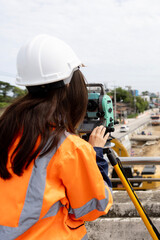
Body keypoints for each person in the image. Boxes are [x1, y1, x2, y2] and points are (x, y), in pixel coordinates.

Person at [0, 35, 113, 239]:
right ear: (70, 86)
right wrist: (95, 154)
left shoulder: (6, 131)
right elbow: (94, 207)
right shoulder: (69, 148)